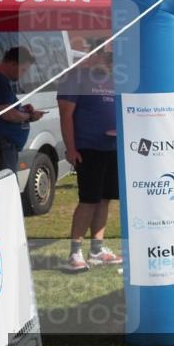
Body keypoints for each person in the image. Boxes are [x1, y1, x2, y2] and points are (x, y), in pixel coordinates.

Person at [57, 47, 122, 271]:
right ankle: (75, 252)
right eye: (108, 56)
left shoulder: (113, 79)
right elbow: (65, 114)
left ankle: (97, 250)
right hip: (88, 148)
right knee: (89, 200)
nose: (111, 61)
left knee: (105, 199)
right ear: (93, 54)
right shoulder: (74, 77)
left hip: (112, 146)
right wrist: (71, 148)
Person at [0, 47, 44, 176]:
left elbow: (2, 109)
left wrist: (21, 109)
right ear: (13, 64)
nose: (23, 74)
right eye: (23, 70)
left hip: (1, 147)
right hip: (0, 148)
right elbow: (7, 114)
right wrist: (29, 116)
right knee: (5, 185)